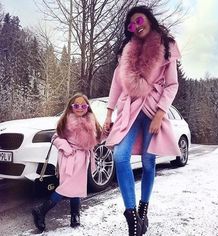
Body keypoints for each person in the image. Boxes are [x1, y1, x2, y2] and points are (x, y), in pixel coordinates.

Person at [103, 5, 181, 236]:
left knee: (149, 163)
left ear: (148, 19)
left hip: (152, 109)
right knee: (120, 155)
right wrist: (108, 113)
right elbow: (116, 84)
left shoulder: (166, 45)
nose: (136, 26)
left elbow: (172, 84)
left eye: (139, 20)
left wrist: (159, 114)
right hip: (129, 109)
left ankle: (143, 210)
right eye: (131, 24)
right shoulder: (126, 51)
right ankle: (131, 216)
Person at [32, 93, 101, 232]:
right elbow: (55, 137)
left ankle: (75, 215)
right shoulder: (66, 121)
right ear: (71, 106)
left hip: (82, 159)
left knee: (77, 187)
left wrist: (107, 131)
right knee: (66, 188)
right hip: (69, 159)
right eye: (76, 105)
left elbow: (97, 139)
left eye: (83, 105)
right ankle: (41, 210)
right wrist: (66, 148)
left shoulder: (91, 121)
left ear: (88, 107)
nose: (80, 108)